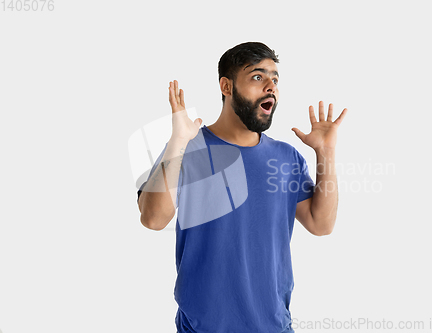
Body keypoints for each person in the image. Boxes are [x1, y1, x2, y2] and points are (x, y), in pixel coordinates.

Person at [137, 42, 348, 333]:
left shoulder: (286, 158)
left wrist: (326, 153)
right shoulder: (187, 149)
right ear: (226, 86)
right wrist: (177, 143)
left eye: (275, 79)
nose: (271, 87)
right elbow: (152, 219)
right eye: (258, 77)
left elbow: (321, 224)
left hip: (274, 326)